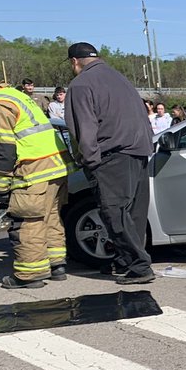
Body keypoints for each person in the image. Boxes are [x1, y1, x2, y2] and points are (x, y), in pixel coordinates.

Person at [0, 68, 72, 287]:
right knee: (50, 217)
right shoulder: (14, 96)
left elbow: (2, 153)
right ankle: (56, 265)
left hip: (31, 170)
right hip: (55, 167)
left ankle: (30, 275)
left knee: (26, 222)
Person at [65, 42, 156, 284]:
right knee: (134, 213)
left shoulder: (81, 84)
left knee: (114, 213)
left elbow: (85, 126)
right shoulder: (119, 78)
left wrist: (90, 160)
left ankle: (139, 266)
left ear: (74, 62)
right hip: (139, 151)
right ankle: (126, 261)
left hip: (112, 155)